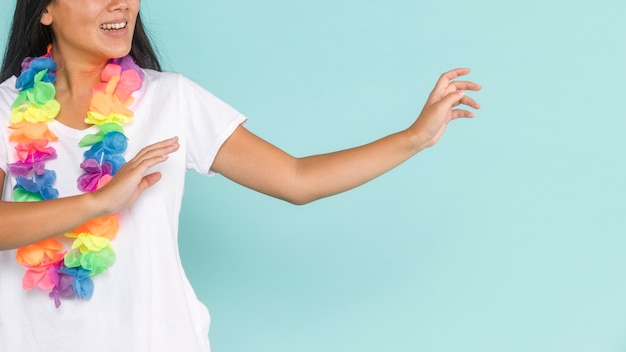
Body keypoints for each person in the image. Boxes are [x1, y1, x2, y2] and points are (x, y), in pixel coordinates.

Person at [0, 0, 481, 351]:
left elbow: (295, 178)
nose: (122, 3)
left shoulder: (171, 100)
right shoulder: (5, 110)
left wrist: (413, 137)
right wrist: (98, 203)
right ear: (45, 10)